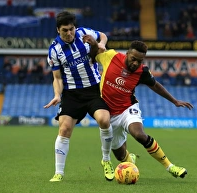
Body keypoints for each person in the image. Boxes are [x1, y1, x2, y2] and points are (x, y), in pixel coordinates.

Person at [85, 37, 194, 178]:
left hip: (127, 109)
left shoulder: (142, 72)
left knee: (139, 134)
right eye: (133, 59)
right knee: (120, 155)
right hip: (108, 113)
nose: (135, 63)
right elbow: (94, 55)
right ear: (127, 53)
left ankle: (170, 167)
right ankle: (130, 161)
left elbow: (155, 85)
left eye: (140, 61)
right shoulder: (111, 57)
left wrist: (174, 101)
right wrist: (94, 44)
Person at [43, 11, 114, 182]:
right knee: (64, 129)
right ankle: (59, 172)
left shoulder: (83, 33)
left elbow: (103, 35)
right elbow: (57, 78)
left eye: (71, 29)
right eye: (65, 30)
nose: (69, 33)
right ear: (58, 30)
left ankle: (106, 160)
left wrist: (101, 44)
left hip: (94, 89)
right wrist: (57, 95)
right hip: (72, 94)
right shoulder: (54, 50)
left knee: (104, 120)